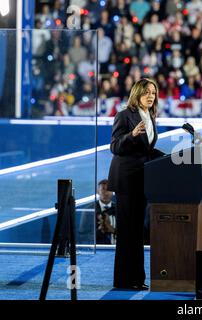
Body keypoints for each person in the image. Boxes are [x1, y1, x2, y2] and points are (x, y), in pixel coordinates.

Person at [107, 78, 164, 290]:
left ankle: (137, 279)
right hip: (126, 181)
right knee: (127, 231)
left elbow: (147, 150)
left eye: (154, 93)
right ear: (137, 93)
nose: (151, 96)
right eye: (147, 92)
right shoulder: (124, 115)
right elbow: (114, 146)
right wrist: (131, 135)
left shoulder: (150, 116)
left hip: (141, 181)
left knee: (137, 231)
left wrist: (173, 158)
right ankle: (123, 280)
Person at [79, 179, 116, 244]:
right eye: (103, 189)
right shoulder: (88, 210)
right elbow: (82, 235)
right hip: (98, 248)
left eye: (109, 189)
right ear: (98, 192)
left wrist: (112, 230)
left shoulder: (119, 209)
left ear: (113, 191)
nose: (106, 192)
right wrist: (99, 231)